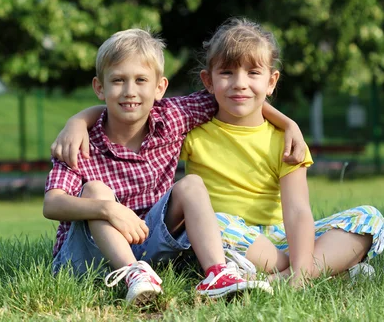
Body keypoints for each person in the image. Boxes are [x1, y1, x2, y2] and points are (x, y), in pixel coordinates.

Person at [44, 28, 306, 305]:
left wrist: (289, 123)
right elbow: (52, 204)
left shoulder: (172, 118)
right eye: (118, 81)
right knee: (96, 189)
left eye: (141, 80)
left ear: (160, 88)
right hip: (88, 255)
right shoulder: (78, 143)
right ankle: (131, 273)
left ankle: (218, 274)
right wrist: (108, 209)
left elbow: (237, 97)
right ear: (100, 88)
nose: (130, 91)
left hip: (150, 242)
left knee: (191, 185)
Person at [180, 17, 384, 286]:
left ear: (271, 81)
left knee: (369, 218)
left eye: (253, 73)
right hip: (227, 239)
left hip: (279, 240)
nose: (239, 83)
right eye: (226, 73)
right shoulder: (193, 134)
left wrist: (299, 262)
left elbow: (298, 211)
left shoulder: (286, 140)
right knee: (211, 223)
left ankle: (293, 276)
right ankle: (328, 267)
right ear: (208, 80)